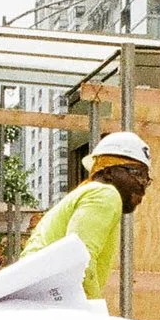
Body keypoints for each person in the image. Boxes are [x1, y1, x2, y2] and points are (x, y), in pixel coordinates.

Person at [22, 130, 152, 304]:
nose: (143, 185)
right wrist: (92, 314)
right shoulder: (105, 194)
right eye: (137, 174)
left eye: (147, 179)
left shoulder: (88, 194)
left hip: (41, 294)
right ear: (108, 172)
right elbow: (78, 259)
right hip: (50, 298)